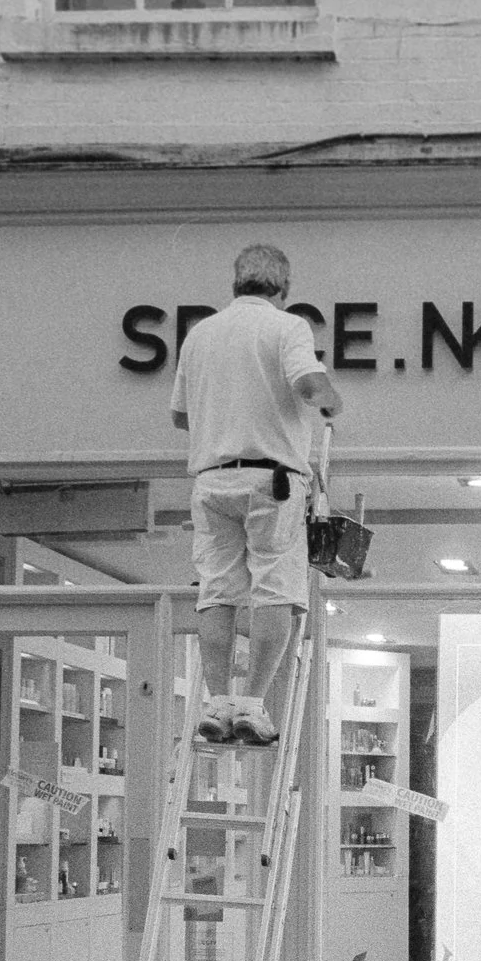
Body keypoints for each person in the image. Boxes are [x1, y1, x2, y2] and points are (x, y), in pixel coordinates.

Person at [171, 243, 343, 745]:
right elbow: (309, 385)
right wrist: (331, 402)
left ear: (234, 283)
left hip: (210, 479)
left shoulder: (199, 335)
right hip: (271, 478)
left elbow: (181, 415)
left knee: (218, 591)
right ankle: (252, 705)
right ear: (283, 289)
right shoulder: (286, 326)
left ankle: (218, 700)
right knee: (276, 589)